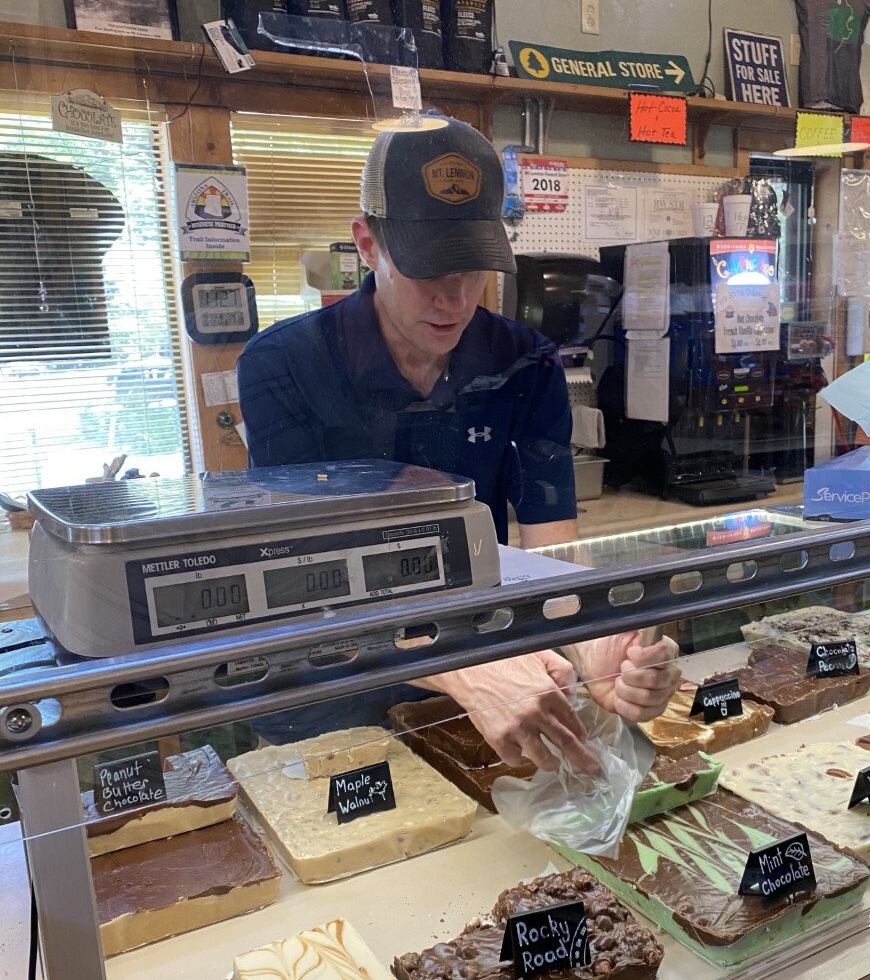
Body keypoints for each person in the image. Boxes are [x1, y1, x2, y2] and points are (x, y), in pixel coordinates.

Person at [238, 114, 681, 769]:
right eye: (428, 269)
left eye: (474, 268)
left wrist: (592, 640)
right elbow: (310, 578)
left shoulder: (524, 360)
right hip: (332, 692)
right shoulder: (285, 365)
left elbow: (550, 543)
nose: (455, 298)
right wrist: (468, 667)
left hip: (488, 679)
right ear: (368, 245)